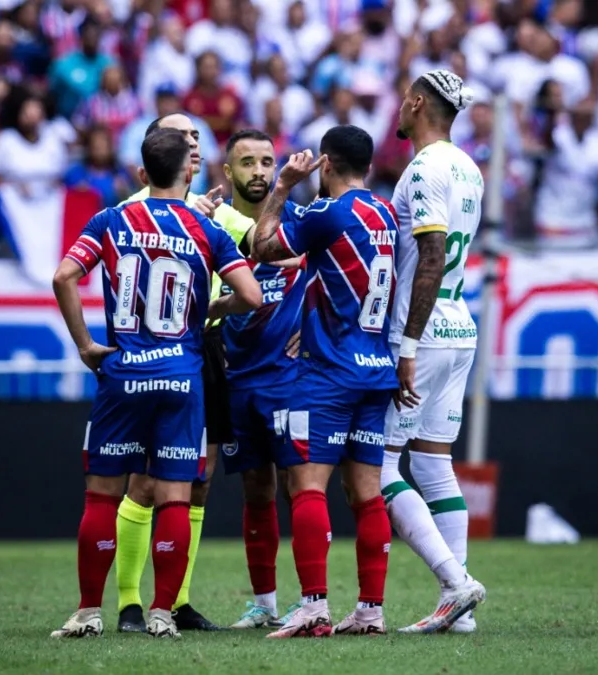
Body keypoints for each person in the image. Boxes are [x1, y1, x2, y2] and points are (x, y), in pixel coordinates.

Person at [49, 127, 262, 639]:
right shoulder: (203, 228)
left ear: (142, 174)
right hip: (181, 376)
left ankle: (88, 611)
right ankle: (163, 613)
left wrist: (84, 346)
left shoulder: (111, 218)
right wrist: (215, 307)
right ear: (188, 171)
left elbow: (62, 277)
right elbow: (253, 296)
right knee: (174, 497)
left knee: (102, 497)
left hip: (121, 373)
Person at [113, 112, 255, 634]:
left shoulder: (220, 218)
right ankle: (129, 602)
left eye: (197, 135)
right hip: (152, 353)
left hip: (206, 352)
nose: (193, 143)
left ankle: (176, 601)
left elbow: (269, 245)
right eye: (181, 136)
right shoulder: (134, 208)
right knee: (148, 481)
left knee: (199, 480)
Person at [252, 125, 397, 638]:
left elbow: (261, 245)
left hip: (328, 370)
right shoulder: (387, 213)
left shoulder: (324, 213)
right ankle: (371, 610)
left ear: (327, 164)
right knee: (367, 492)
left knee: (306, 485)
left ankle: (314, 605)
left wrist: (283, 186)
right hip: (377, 369)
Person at [381, 69, 487, 635]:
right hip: (460, 326)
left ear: (418, 103)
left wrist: (408, 344)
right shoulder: (468, 167)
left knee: (377, 469)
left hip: (424, 334)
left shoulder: (423, 169)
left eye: (404, 99)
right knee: (433, 464)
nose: (398, 107)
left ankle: (454, 582)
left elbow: (431, 254)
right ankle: (460, 614)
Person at [215, 129, 306, 629]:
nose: (259, 172)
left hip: (290, 378)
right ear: (227, 172)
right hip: (236, 377)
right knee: (256, 489)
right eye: (246, 163)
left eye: (267, 162)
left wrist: (312, 334)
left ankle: (312, 596)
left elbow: (337, 281)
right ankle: (265, 604)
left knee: (302, 485)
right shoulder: (215, 226)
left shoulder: (297, 224)